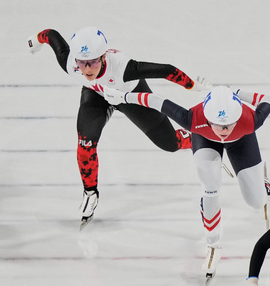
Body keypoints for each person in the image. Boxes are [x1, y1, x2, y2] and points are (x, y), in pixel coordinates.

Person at [27, 27, 207, 227]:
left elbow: (166, 70)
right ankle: (90, 193)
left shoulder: (123, 68)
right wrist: (35, 40)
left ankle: (200, 139)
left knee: (170, 144)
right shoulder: (70, 63)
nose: (87, 69)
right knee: (85, 143)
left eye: (93, 61)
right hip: (97, 95)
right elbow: (51, 35)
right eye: (82, 63)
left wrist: (191, 85)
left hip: (130, 96)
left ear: (104, 57)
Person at [104, 85, 270, 282]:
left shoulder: (250, 120)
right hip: (204, 138)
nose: (224, 131)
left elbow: (267, 98)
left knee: (256, 201)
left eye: (229, 124)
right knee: (210, 186)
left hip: (241, 141)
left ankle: (263, 183)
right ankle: (212, 245)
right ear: (208, 118)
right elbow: (156, 100)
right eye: (219, 125)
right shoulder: (193, 118)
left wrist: (237, 93)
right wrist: (124, 96)